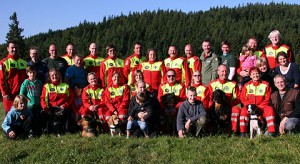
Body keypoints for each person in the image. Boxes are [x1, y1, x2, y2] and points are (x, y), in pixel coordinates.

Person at [239, 67, 276, 136]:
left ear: (260, 74)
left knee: (269, 109)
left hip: (262, 107)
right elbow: (243, 98)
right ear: (250, 76)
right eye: (253, 74)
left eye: (257, 73)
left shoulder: (266, 85)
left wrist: (258, 108)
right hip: (250, 108)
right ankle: (243, 132)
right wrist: (250, 107)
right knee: (243, 111)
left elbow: (267, 99)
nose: (255, 75)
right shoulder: (246, 86)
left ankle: (271, 131)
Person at [207, 65, 240, 133]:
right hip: (216, 107)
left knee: (236, 109)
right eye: (222, 71)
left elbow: (238, 98)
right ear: (218, 72)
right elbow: (210, 98)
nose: (224, 73)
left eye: (226, 71)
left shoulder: (233, 84)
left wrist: (229, 105)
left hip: (228, 107)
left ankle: (234, 131)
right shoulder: (212, 84)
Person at [40, 68, 74, 134]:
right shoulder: (46, 86)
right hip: (51, 108)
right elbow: (43, 99)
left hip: (62, 107)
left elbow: (71, 97)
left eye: (56, 74)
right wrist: (46, 108)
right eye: (52, 75)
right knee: (42, 114)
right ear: (49, 77)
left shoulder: (65, 86)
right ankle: (46, 130)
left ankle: (66, 130)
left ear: (59, 75)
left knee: (68, 113)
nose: (55, 76)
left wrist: (65, 105)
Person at [0, 41, 28, 114]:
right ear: (8, 49)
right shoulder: (3, 63)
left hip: (22, 94)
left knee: (22, 115)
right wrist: (4, 93)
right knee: (11, 116)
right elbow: (1, 79)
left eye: (16, 48)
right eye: (12, 48)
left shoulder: (24, 62)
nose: (14, 49)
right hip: (10, 95)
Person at [20, 66, 43, 136]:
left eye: (33, 72)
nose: (32, 74)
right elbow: (21, 94)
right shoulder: (26, 82)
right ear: (27, 73)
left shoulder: (39, 82)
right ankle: (28, 132)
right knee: (30, 119)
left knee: (37, 118)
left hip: (38, 105)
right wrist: (27, 100)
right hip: (29, 106)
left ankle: (37, 132)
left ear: (36, 73)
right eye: (30, 73)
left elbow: (43, 93)